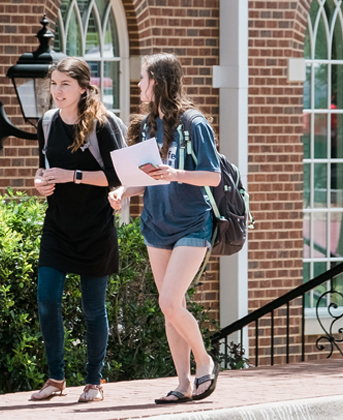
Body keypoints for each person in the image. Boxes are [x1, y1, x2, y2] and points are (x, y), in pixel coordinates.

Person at [107, 53, 220, 404]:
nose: (139, 85)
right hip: (156, 224)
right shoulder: (144, 126)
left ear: (159, 81)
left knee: (169, 301)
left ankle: (205, 362)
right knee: (172, 306)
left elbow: (213, 176)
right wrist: (124, 190)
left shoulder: (195, 123)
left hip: (192, 222)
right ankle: (184, 383)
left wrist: (177, 174)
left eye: (144, 78)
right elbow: (143, 180)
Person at [28, 57, 124, 403]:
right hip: (58, 225)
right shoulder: (48, 122)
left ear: (83, 87)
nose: (57, 91)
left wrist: (72, 175)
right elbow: (43, 169)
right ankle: (55, 378)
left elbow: (117, 176)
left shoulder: (101, 124)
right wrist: (40, 183)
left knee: (92, 309)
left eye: (65, 84)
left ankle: (94, 382)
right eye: (53, 84)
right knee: (47, 300)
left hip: (95, 227)